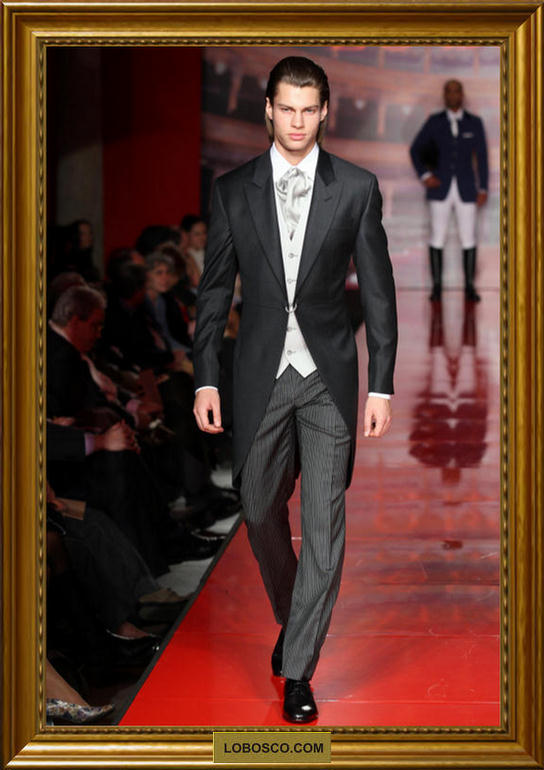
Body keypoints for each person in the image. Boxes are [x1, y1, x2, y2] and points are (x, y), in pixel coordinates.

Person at [193, 56, 397, 723]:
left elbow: (379, 289)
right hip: (260, 374)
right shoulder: (233, 190)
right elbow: (214, 290)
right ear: (269, 110)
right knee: (256, 507)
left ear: (325, 112)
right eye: (288, 109)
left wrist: (382, 385)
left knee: (324, 528)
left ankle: (298, 671)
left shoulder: (357, 187)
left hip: (328, 376)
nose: (299, 122)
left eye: (310, 110)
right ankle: (296, 619)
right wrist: (204, 376)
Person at [410, 79, 489, 302]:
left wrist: (483, 187)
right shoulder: (434, 121)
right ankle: (436, 287)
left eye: (456, 91)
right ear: (444, 95)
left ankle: (470, 287)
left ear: (462, 95)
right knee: (437, 236)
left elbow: (482, 158)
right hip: (440, 189)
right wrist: (425, 176)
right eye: (449, 91)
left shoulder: (475, 123)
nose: (453, 95)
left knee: (468, 237)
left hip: (467, 188)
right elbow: (415, 149)